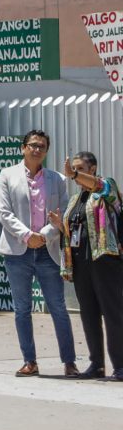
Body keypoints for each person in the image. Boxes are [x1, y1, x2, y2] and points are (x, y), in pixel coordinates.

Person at [0, 129, 77, 378]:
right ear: (23, 148)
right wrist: (26, 236)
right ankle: (29, 361)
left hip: (47, 250)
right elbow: (4, 212)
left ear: (46, 151)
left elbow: (63, 213)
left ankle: (69, 362)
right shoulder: (7, 175)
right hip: (17, 251)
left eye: (42, 146)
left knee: (58, 307)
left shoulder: (57, 180)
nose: (37, 149)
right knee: (22, 309)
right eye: (32, 145)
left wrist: (43, 235)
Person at [49, 151, 123, 381]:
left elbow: (102, 187)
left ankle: (120, 365)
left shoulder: (106, 188)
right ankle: (96, 365)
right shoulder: (75, 199)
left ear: (92, 169)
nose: (75, 174)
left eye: (80, 169)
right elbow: (76, 230)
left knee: (113, 314)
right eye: (74, 169)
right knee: (89, 314)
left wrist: (72, 175)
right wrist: (60, 226)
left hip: (105, 259)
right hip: (81, 262)